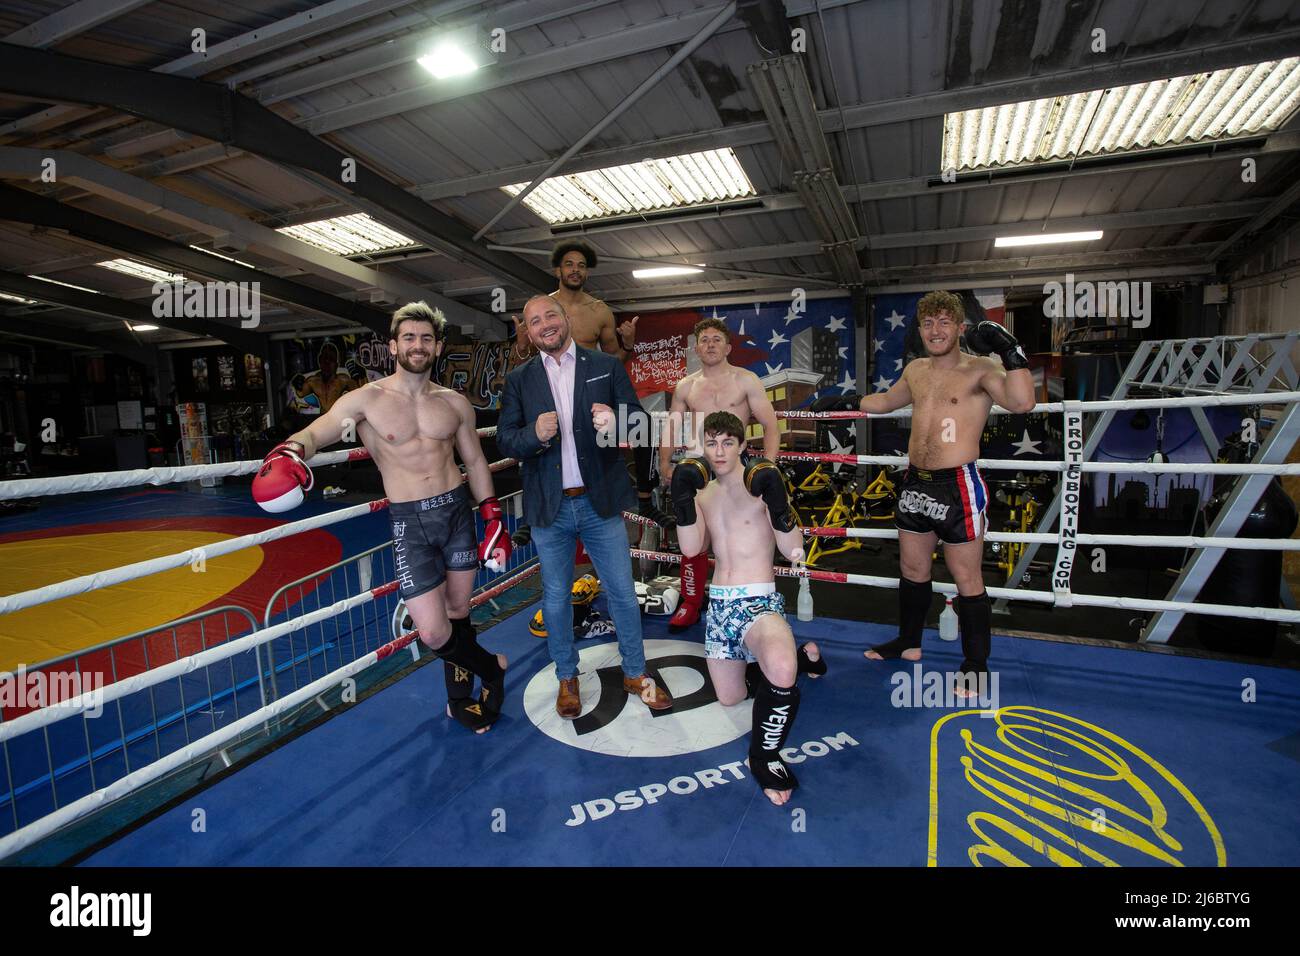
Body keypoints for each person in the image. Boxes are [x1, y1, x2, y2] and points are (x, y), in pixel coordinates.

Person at [254, 302, 512, 733]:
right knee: (432, 631)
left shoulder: (453, 402)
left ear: (438, 346)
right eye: (409, 337)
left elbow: (475, 461)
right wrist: (292, 450)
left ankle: (458, 699)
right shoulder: (366, 400)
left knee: (459, 611)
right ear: (393, 345)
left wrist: (494, 518)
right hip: (410, 523)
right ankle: (493, 668)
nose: (417, 345)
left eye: (426, 338)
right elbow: (320, 429)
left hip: (456, 514)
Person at [829, 291, 1035, 698]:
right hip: (915, 482)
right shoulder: (917, 370)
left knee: (966, 577)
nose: (935, 330)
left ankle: (975, 665)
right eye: (928, 323)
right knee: (912, 569)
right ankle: (908, 642)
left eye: (944, 322)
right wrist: (848, 400)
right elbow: (888, 401)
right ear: (920, 329)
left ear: (960, 328)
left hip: (957, 484)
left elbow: (1023, 401)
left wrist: (1012, 351)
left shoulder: (982, 369)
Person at [496, 293, 673, 719]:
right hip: (549, 508)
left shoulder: (605, 366)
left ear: (565, 319)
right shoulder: (519, 380)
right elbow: (505, 440)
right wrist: (533, 434)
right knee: (555, 598)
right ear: (528, 330)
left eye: (550, 316)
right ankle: (566, 677)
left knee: (622, 594)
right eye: (534, 321)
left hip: (599, 503)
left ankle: (634, 672)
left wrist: (618, 423)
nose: (544, 325)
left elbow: (642, 424)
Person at [671, 411, 824, 806]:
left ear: (742, 445)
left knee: (781, 667)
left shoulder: (761, 484)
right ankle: (796, 659)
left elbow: (794, 549)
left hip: (758, 601)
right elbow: (691, 550)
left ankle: (764, 756)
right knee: (729, 698)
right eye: (711, 443)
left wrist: (778, 500)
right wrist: (681, 498)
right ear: (702, 447)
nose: (719, 451)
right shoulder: (702, 492)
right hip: (720, 608)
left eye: (727, 442)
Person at [658, 317, 782, 631]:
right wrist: (664, 463)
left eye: (716, 339)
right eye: (704, 340)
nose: (710, 344)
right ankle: (691, 603)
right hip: (699, 465)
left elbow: (770, 425)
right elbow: (672, 426)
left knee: (741, 536)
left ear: (727, 347)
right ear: (696, 347)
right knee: (693, 537)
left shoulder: (746, 380)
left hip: (736, 468)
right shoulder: (686, 385)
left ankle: (747, 601)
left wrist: (767, 467)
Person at [291, 341, 364, 414]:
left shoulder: (343, 380)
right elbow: (301, 394)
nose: (327, 361)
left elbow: (359, 395)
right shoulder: (312, 381)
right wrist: (297, 385)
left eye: (331, 359)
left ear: (336, 364)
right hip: (322, 417)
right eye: (325, 358)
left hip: (337, 416)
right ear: (320, 360)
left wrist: (359, 377)